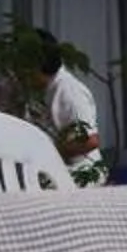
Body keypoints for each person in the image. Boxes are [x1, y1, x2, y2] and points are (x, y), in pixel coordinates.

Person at [36, 35, 103, 182]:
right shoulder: (29, 87)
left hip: (76, 175)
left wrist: (47, 154)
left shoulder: (69, 92)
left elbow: (89, 141)